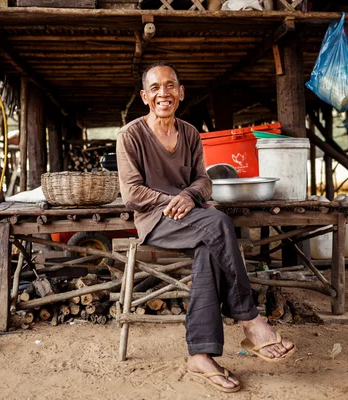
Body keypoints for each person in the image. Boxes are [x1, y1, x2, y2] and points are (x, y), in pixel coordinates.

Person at [116, 62, 295, 393]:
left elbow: (203, 180)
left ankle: (200, 355)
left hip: (193, 222)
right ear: (145, 96)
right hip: (156, 221)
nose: (163, 93)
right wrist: (174, 201)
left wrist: (189, 195)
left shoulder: (189, 133)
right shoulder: (130, 136)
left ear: (181, 93)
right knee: (218, 221)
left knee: (208, 253)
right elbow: (132, 193)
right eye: (155, 88)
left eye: (170, 86)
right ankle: (250, 319)